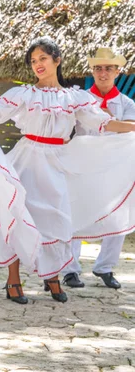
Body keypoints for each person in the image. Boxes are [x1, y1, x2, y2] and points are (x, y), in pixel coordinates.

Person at [0, 37, 135, 305]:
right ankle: (13, 280)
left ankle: (52, 276)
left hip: (58, 160)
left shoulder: (74, 97)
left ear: (57, 60)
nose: (38, 64)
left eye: (43, 59)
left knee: (59, 220)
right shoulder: (24, 93)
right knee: (17, 213)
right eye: (34, 61)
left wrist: (133, 127)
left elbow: (104, 123)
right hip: (28, 157)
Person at [62, 48, 134, 290]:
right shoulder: (79, 99)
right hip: (82, 163)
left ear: (117, 71)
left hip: (113, 168)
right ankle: (70, 269)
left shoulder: (126, 103)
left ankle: (105, 266)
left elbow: (132, 128)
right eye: (98, 68)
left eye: (108, 68)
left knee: (117, 214)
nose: (103, 73)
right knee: (76, 214)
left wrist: (110, 118)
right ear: (92, 71)